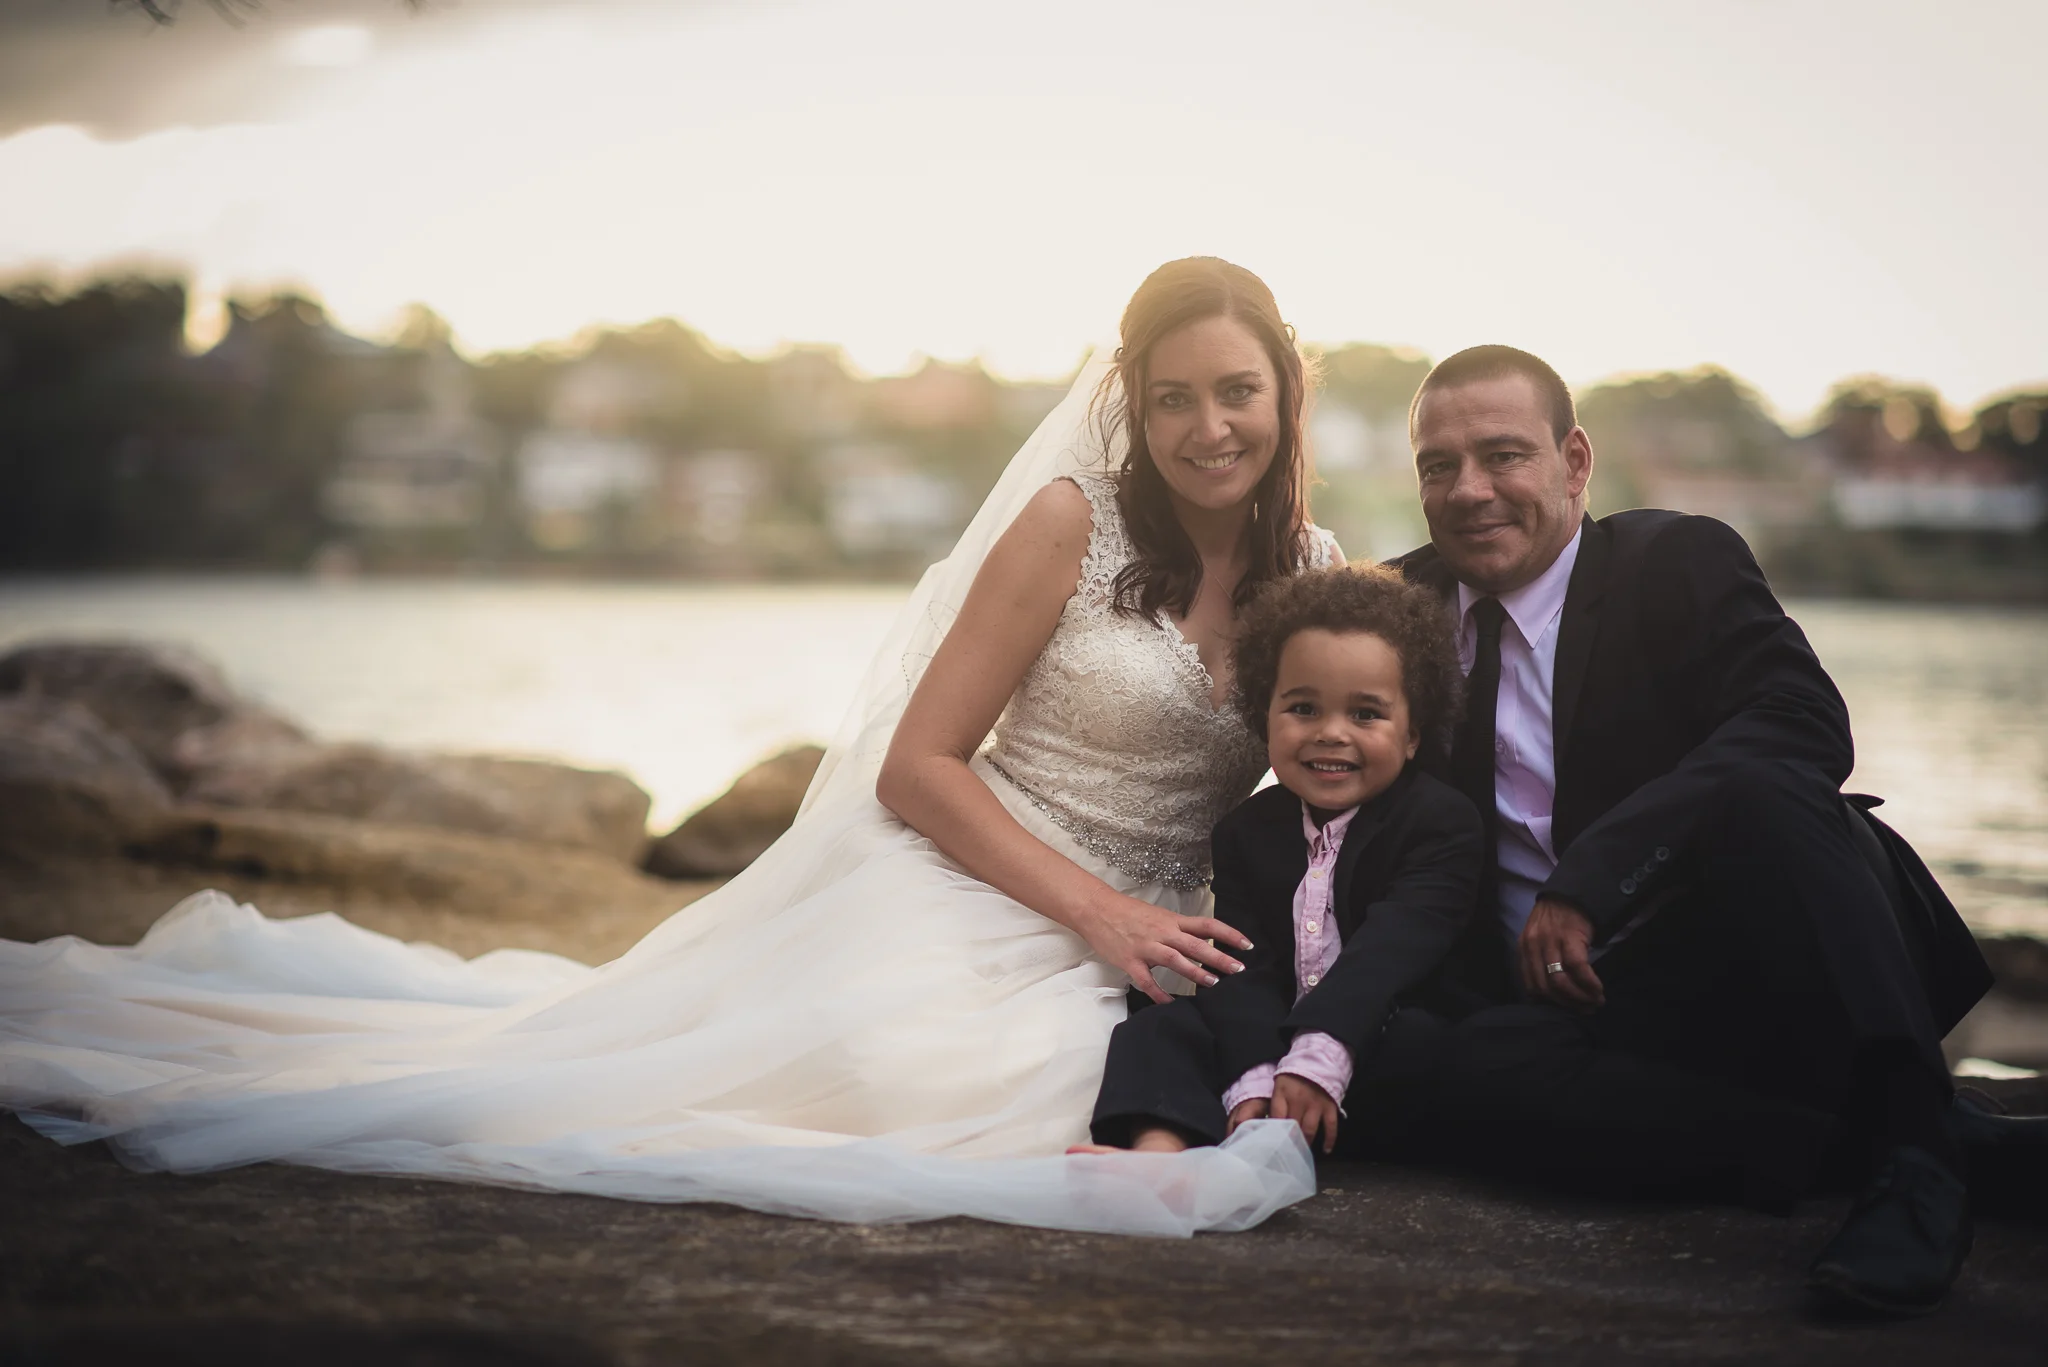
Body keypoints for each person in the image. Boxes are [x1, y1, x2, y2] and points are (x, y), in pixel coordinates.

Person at [0, 258, 1342, 1236]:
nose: (1206, 427)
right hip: (976, 870)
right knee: (913, 1071)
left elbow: (1341, 786)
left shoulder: (1319, 574)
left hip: (1166, 923)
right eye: (1172, 398)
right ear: (1133, 402)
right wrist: (1093, 909)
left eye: (1236, 391)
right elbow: (916, 765)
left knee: (1096, 1084)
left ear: (1287, 389)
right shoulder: (1071, 523)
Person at [1390, 343, 2044, 1314]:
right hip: (1578, 1013)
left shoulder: (1672, 557)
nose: (1468, 489)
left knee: (1765, 783)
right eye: (1437, 466)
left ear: (1573, 462)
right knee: (1445, 1074)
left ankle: (1916, 1168)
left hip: (1747, 948)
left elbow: (1801, 721)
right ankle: (1921, 1141)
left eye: (1501, 455)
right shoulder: (1398, 606)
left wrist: (1590, 877)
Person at [1075, 565, 1480, 1160]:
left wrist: (1321, 1054)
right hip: (1277, 1040)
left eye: (1366, 714)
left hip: (1377, 1031)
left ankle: (1309, 1131)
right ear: (1265, 713)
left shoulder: (1440, 823)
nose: (1331, 734)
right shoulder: (1246, 831)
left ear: (1413, 734)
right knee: (1161, 1026)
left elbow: (1388, 955)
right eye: (1304, 709)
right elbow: (1248, 968)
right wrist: (1254, 1077)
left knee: (1435, 1043)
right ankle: (1158, 1154)